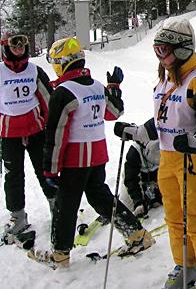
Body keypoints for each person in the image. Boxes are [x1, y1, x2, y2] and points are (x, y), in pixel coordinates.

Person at [114, 18, 196, 289]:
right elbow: (164, 119)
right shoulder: (166, 81)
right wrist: (139, 132)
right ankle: (187, 264)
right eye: (156, 50)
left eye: (164, 50)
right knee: (174, 217)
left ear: (182, 49)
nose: (161, 57)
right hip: (167, 157)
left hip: (193, 159)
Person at [27, 37, 153, 268]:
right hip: (96, 155)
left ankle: (60, 254)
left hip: (75, 159)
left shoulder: (63, 92)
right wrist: (113, 88)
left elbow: (56, 135)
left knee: (67, 204)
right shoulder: (96, 86)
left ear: (61, 63)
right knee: (99, 197)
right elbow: (114, 112)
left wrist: (50, 169)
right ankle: (137, 234)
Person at [0, 32, 57, 240]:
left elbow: (47, 99)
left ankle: (56, 206)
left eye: (22, 47)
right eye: (14, 47)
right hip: (9, 133)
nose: (18, 50)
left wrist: (51, 127)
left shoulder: (34, 70)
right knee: (13, 175)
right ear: (6, 48)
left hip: (35, 129)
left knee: (44, 169)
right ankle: (18, 215)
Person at [124, 139, 162, 217]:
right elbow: (131, 180)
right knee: (128, 205)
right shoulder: (134, 153)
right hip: (139, 178)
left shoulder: (165, 145)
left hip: (156, 178)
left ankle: (150, 198)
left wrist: (157, 197)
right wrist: (138, 201)